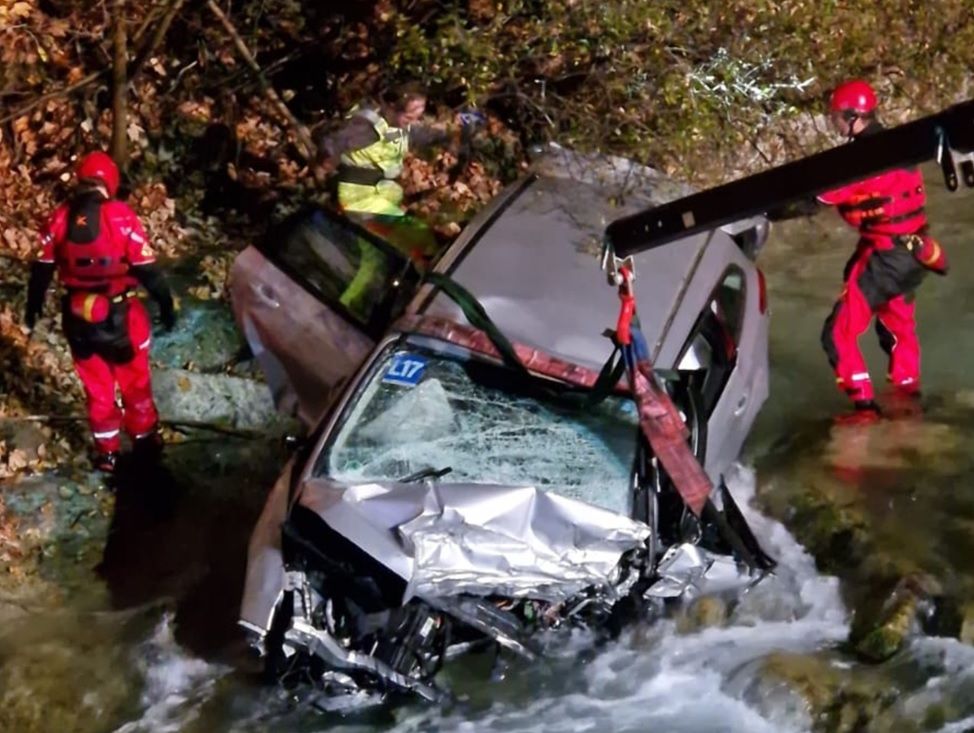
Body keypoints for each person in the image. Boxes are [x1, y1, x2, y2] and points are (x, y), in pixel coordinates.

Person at [24, 151, 176, 473]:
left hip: (78, 319)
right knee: (136, 384)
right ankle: (145, 439)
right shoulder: (120, 216)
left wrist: (31, 307)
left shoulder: (60, 217)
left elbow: (41, 268)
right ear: (110, 181)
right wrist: (165, 303)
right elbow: (147, 269)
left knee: (98, 390)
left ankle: (107, 454)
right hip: (123, 317)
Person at [816, 79, 948, 417]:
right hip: (914, 255)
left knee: (837, 333)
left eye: (837, 118)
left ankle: (864, 408)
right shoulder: (900, 148)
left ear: (852, 116)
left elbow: (819, 196)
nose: (835, 123)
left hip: (885, 259)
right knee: (898, 326)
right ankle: (907, 397)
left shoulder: (863, 160)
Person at [314, 82, 459, 317]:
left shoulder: (397, 126)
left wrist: (447, 135)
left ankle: (353, 306)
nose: (412, 121)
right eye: (409, 115)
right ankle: (341, 310)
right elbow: (334, 142)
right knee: (390, 252)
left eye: (417, 116)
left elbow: (419, 135)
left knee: (400, 249)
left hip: (376, 196)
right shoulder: (366, 128)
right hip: (358, 199)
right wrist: (327, 160)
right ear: (391, 107)